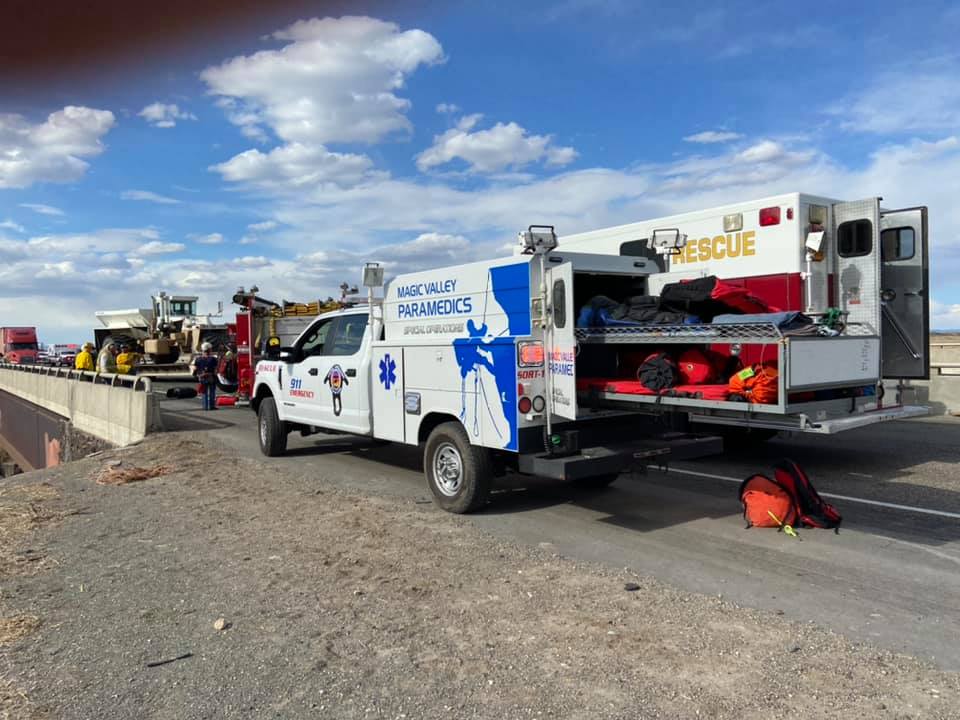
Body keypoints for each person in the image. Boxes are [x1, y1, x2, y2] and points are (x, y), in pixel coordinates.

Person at [194, 341, 218, 410]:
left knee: (204, 392)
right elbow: (215, 369)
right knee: (212, 392)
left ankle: (205, 406)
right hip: (211, 377)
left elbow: (195, 369)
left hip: (202, 377)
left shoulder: (198, 359)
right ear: (209, 350)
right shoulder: (213, 359)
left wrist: (198, 375)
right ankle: (211, 406)